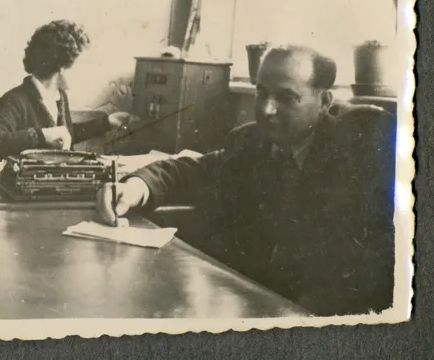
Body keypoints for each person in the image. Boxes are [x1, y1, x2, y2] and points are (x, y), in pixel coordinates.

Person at [95, 45, 397, 317]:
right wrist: (136, 187)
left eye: (286, 97)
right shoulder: (249, 141)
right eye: (262, 92)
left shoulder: (360, 151)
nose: (267, 109)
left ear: (324, 101)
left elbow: (368, 270)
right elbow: (194, 170)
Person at [0, 20, 137, 163]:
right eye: (81, 63)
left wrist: (106, 123)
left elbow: (64, 134)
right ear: (62, 66)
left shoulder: (59, 96)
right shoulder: (14, 101)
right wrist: (41, 135)